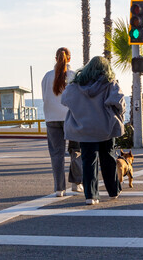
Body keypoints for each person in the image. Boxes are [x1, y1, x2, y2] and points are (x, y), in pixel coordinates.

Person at [61, 56, 126, 205]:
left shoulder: (75, 86)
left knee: (88, 162)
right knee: (108, 159)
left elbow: (64, 101)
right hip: (105, 128)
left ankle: (91, 196)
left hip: (84, 129)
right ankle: (113, 191)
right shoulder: (110, 84)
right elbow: (120, 103)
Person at [41, 47, 82, 197]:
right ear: (69, 59)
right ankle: (77, 184)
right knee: (76, 150)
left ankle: (59, 188)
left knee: (56, 154)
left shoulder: (47, 76)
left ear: (55, 58)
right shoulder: (74, 75)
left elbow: (45, 97)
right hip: (71, 116)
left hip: (51, 118)